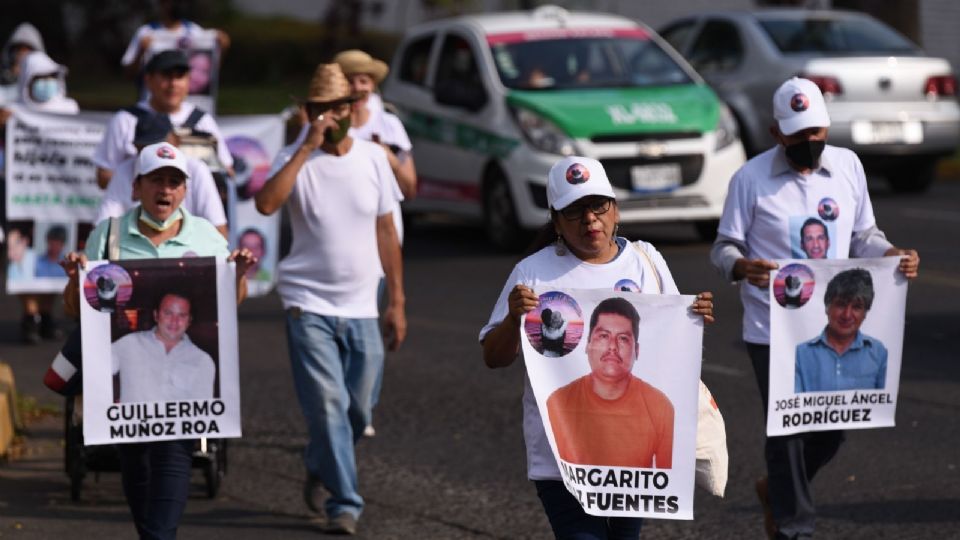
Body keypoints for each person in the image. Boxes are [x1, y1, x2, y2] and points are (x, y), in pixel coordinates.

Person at [710, 76, 920, 539]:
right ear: (776, 134)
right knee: (786, 429)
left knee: (831, 430)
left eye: (816, 133)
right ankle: (794, 527)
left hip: (831, 323)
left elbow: (866, 235)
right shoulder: (751, 180)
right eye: (798, 135)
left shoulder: (847, 167)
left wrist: (891, 255)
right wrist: (743, 267)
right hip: (772, 327)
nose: (809, 143)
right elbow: (723, 247)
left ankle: (779, 489)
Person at [480, 155, 714, 539]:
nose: (590, 220)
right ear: (556, 222)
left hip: (631, 457)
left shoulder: (646, 262)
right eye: (574, 212)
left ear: (615, 209)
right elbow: (494, 356)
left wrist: (694, 318)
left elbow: (674, 350)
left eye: (597, 206)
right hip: (563, 460)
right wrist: (512, 319)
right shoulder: (533, 273)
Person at [60, 140, 255, 540]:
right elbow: (77, 310)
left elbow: (227, 305)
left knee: (173, 455)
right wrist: (73, 279)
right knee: (136, 461)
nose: (165, 190)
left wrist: (238, 277)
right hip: (134, 377)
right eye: (156, 181)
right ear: (136, 188)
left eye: (173, 182)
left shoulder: (205, 236)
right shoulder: (107, 236)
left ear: (184, 191)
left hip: (183, 379)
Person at [254, 63, 406, 536]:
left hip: (362, 303)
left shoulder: (374, 158)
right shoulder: (295, 157)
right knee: (327, 405)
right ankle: (346, 502)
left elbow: (387, 230)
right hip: (307, 302)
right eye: (319, 109)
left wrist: (397, 300)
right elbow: (265, 204)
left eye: (338, 108)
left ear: (353, 108)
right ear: (309, 111)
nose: (330, 117)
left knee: (359, 411)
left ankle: (319, 459)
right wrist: (306, 146)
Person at [2, 50, 79, 343]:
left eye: (50, 77)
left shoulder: (69, 109)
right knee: (22, 258)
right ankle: (29, 315)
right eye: (38, 78)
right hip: (24, 199)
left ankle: (47, 314)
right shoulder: (13, 110)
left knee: (56, 261)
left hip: (59, 200)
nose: (45, 83)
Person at [547, 297, 674, 468]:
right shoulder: (558, 403)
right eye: (604, 336)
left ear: (636, 350)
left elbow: (669, 484)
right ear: (588, 344)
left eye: (623, 338)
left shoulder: (660, 407)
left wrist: (693, 318)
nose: (612, 346)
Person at [94, 49, 233, 189]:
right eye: (166, 76)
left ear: (188, 81)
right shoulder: (125, 120)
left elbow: (227, 172)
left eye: (180, 76)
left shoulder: (203, 121)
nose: (173, 84)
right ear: (148, 80)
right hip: (137, 207)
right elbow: (104, 177)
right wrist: (144, 181)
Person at [94, 109, 227, 236]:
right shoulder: (124, 170)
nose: (165, 190)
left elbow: (218, 231)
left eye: (175, 182)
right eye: (145, 148)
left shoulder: (197, 170)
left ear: (176, 141)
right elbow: (104, 227)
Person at [112, 291, 216, 402]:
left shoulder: (202, 360)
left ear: (189, 320)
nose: (174, 321)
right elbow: (95, 371)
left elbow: (203, 411)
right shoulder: (129, 344)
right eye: (168, 313)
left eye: (182, 315)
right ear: (156, 315)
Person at [795, 268, 887, 393]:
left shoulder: (878, 352)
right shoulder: (800, 354)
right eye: (841, 305)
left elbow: (885, 407)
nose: (847, 315)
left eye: (856, 307)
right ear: (827, 307)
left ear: (865, 313)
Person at [120, 0, 230, 82]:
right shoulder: (146, 32)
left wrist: (221, 49)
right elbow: (128, 74)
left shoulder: (194, 31)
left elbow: (209, 72)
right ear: (162, 4)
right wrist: (141, 52)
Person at [0, 22, 44, 106]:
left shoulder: (46, 83)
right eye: (19, 49)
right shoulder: (3, 80)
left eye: (28, 49)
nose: (22, 54)